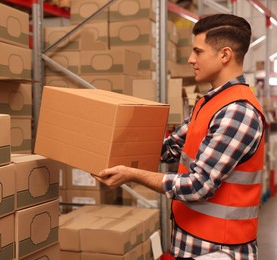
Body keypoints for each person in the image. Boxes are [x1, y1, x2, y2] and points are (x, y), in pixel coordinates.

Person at [93, 14, 265, 260]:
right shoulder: (211, 103)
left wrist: (132, 174)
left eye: (198, 51)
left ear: (224, 55)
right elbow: (168, 148)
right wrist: (104, 146)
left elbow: (198, 186)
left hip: (218, 250)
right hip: (191, 239)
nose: (190, 59)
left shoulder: (237, 112)